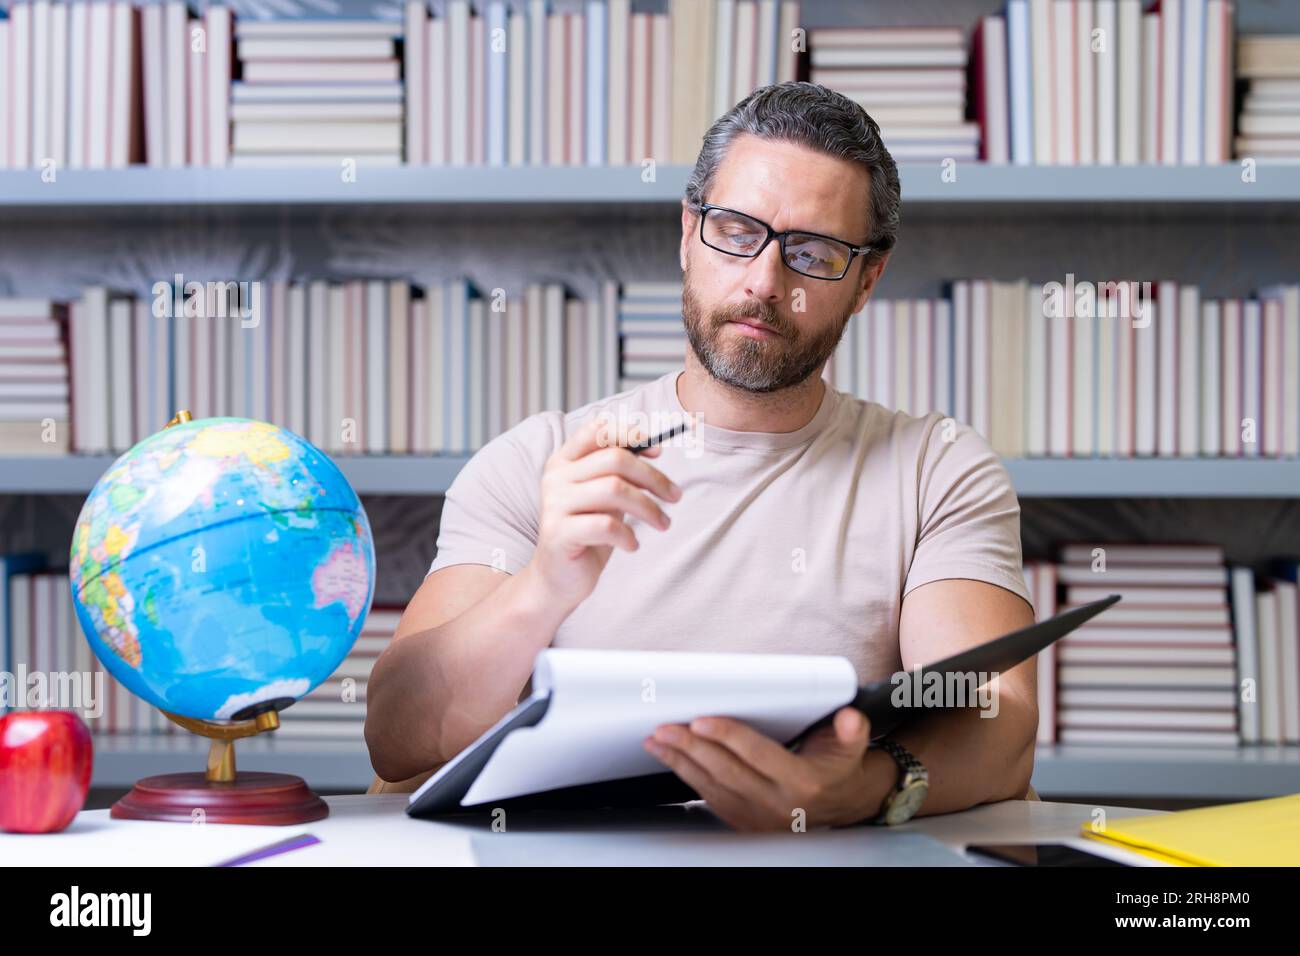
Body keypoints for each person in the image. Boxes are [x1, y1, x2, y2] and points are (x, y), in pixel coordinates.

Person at [365, 81, 1037, 830]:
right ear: (689, 234)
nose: (764, 282)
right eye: (737, 231)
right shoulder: (540, 461)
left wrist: (850, 791)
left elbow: (996, 717)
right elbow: (395, 736)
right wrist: (543, 586)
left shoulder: (936, 468)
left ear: (866, 281)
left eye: (813, 253)